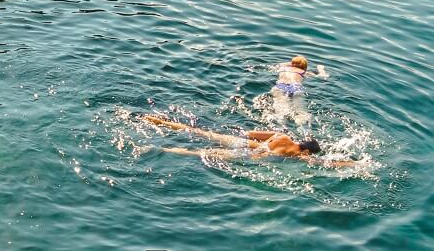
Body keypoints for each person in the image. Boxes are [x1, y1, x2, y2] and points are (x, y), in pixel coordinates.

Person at [142, 115, 356, 168]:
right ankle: (158, 148)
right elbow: (327, 164)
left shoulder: (283, 136)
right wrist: (355, 164)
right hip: (251, 154)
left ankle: (157, 121)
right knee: (198, 153)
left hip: (246, 144)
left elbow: (251, 132)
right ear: (307, 151)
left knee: (198, 131)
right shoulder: (299, 156)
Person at [270, 55, 328, 125]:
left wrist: (292, 63)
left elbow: (278, 65)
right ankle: (301, 124)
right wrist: (321, 69)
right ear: (305, 67)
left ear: (291, 64)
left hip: (281, 87)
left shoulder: (283, 68)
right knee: (300, 110)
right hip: (296, 88)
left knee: (281, 109)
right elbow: (323, 76)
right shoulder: (303, 71)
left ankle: (281, 123)